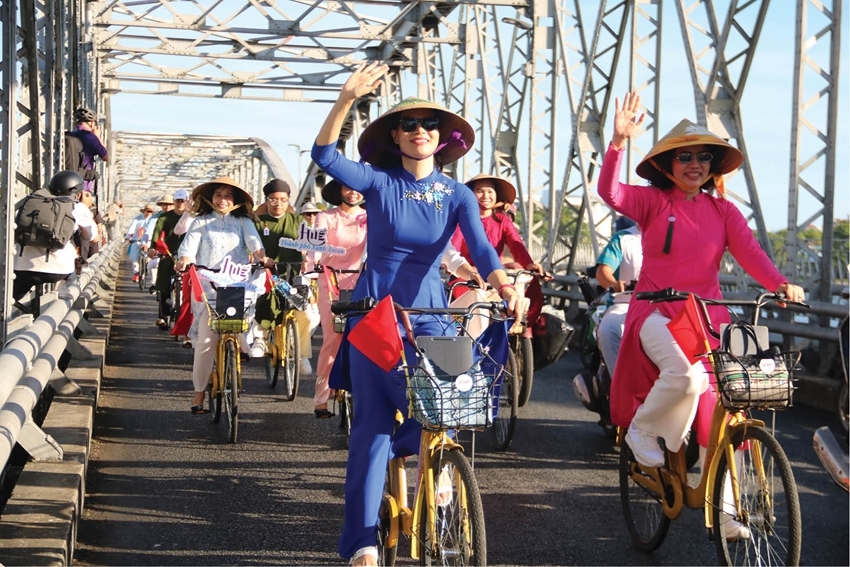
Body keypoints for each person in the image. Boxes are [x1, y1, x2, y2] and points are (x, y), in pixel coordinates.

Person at [311, 61, 528, 566]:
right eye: (409, 124)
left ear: (442, 136)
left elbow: (481, 248)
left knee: (448, 406)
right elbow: (324, 155)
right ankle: (363, 542)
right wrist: (345, 99)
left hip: (431, 314)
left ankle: (439, 470)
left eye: (429, 124)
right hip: (377, 314)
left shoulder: (457, 194)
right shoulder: (378, 182)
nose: (420, 132)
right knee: (373, 429)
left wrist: (503, 287)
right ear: (395, 135)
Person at [599, 92, 805, 475]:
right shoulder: (654, 203)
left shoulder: (723, 211)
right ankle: (643, 429)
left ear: (714, 165)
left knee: (730, 407)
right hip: (656, 312)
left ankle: (729, 514)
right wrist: (617, 143)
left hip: (709, 318)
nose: (695, 165)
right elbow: (610, 193)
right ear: (668, 164)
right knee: (687, 376)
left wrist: (780, 284)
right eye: (686, 156)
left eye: (704, 157)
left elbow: (751, 254)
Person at [175, 177, 269, 414]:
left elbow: (255, 244)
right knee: (206, 341)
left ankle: (239, 353)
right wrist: (185, 260)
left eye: (228, 196)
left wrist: (262, 257)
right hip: (208, 287)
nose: (223, 200)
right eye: (218, 194)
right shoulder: (200, 222)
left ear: (236, 201)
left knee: (237, 326)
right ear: (211, 198)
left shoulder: (243, 222)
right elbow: (188, 248)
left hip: (236, 284)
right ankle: (198, 394)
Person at [450, 174, 547, 333]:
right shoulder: (464, 219)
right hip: (467, 273)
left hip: (493, 272)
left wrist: (530, 265)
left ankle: (522, 325)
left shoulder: (502, 221)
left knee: (519, 282)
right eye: (479, 191)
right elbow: (454, 246)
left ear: (496, 196)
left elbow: (517, 245)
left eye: (490, 192)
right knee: (471, 303)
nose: (485, 196)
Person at [306, 179, 367, 418]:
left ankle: (363, 391)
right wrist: (314, 263)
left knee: (363, 336)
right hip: (330, 281)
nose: (353, 192)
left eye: (357, 187)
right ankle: (321, 397)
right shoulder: (327, 217)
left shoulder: (369, 218)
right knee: (333, 337)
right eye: (347, 187)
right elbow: (316, 243)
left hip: (361, 281)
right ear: (340, 191)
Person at [250, 179, 311, 363]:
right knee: (261, 298)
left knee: (308, 312)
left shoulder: (298, 220)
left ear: (288, 200)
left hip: (293, 272)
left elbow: (312, 244)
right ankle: (260, 338)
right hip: (266, 272)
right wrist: (258, 258)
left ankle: (301, 354)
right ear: (266, 200)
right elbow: (250, 246)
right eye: (273, 199)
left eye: (283, 199)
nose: (278, 204)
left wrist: (310, 255)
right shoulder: (258, 222)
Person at [13, 171, 88, 303]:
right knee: (73, 251)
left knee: (11, 299)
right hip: (58, 271)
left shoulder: (31, 200)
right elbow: (93, 237)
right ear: (78, 192)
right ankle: (63, 290)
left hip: (22, 267)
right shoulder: (78, 208)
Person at [594, 216, 642, 374]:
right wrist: (613, 284)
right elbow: (603, 272)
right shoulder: (623, 239)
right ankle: (620, 386)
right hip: (624, 304)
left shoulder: (676, 239)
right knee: (608, 329)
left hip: (664, 307)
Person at [148, 190, 189, 328]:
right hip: (169, 253)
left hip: (187, 256)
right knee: (163, 282)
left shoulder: (192, 217)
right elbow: (156, 233)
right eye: (177, 201)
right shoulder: (164, 217)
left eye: (183, 201)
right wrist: (152, 248)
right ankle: (163, 316)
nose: (180, 204)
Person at [70, 107, 108, 194]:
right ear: (91, 123)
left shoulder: (73, 133)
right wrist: (97, 136)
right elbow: (106, 156)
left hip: (69, 179)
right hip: (83, 184)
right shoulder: (90, 137)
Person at [125, 203, 155, 282]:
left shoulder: (153, 220)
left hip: (148, 240)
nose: (147, 213)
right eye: (146, 211)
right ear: (143, 211)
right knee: (134, 256)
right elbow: (132, 228)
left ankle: (145, 269)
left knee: (149, 256)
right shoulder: (137, 219)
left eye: (149, 212)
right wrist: (128, 238)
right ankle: (136, 273)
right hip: (137, 240)